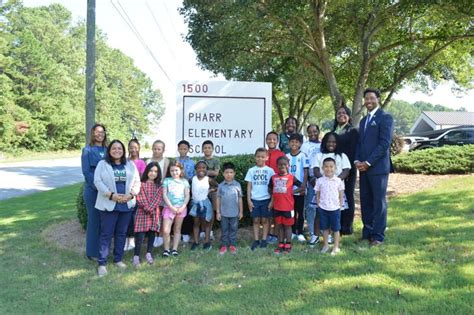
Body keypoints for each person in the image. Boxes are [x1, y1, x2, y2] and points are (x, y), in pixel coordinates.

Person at [93, 139, 141, 277]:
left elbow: (137, 181)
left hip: (126, 204)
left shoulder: (130, 164)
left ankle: (118, 259)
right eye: (114, 148)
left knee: (121, 234)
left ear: (123, 150)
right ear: (109, 150)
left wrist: (131, 195)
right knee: (106, 234)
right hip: (109, 204)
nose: (117, 151)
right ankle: (102, 263)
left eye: (120, 148)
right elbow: (97, 181)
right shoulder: (103, 164)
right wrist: (110, 195)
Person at [355, 88, 394, 246]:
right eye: (366, 99)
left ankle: (378, 236)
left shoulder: (385, 118)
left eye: (372, 98)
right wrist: (357, 160)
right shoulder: (364, 121)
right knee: (365, 201)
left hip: (378, 169)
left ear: (378, 99)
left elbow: (384, 143)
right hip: (363, 169)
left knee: (378, 202)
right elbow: (360, 143)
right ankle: (368, 232)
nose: (368, 101)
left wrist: (368, 162)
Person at [81, 123, 107, 260]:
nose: (100, 134)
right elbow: (86, 172)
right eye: (97, 132)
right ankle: (92, 252)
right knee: (94, 220)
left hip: (108, 191)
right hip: (93, 191)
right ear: (92, 133)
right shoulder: (87, 150)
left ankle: (104, 250)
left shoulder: (108, 150)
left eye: (102, 132)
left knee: (106, 222)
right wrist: (98, 186)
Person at [332, 104, 359, 235]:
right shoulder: (334, 130)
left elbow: (353, 151)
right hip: (334, 170)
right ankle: (337, 225)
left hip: (347, 169)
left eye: (344, 113)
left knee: (347, 196)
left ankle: (347, 227)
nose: (341, 115)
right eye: (339, 113)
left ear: (349, 116)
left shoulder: (352, 131)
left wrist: (348, 169)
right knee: (336, 197)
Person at [269, 156, 303, 254]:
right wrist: (274, 193)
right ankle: (280, 244)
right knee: (279, 225)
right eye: (280, 165)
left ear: (288, 165)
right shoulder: (273, 177)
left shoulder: (291, 177)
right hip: (277, 207)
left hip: (288, 207)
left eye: (284, 164)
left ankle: (288, 244)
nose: (282, 166)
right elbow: (270, 188)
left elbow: (302, 186)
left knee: (288, 226)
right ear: (277, 166)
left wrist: (292, 192)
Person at [133, 162, 163, 266]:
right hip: (142, 212)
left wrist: (150, 208)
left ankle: (149, 253)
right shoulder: (141, 184)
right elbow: (139, 197)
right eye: (151, 171)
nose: (153, 173)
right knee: (140, 235)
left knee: (152, 233)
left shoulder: (159, 186)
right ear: (147, 171)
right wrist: (147, 208)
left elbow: (158, 198)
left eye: (155, 171)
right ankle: (136, 256)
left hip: (155, 213)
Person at [245, 148, 275, 250]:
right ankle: (256, 239)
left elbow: (274, 187)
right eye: (258, 156)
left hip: (266, 199)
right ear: (255, 157)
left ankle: (264, 240)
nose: (260, 159)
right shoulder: (251, 170)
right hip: (255, 199)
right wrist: (249, 200)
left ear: (267, 157)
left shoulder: (270, 171)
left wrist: (272, 201)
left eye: (263, 157)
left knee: (265, 220)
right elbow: (249, 186)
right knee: (256, 220)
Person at [315, 157, 345, 255]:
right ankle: (326, 245)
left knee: (336, 228)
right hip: (323, 208)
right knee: (324, 228)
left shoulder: (338, 181)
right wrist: (318, 203)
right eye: (326, 167)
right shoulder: (320, 181)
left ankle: (336, 247)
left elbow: (341, 193)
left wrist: (340, 204)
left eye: (331, 167)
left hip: (335, 208)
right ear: (322, 168)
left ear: (335, 168)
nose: (329, 169)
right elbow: (318, 193)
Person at [161, 161, 190, 257]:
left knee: (177, 229)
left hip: (181, 208)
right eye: (172, 170)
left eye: (176, 170)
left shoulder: (184, 181)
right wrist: (171, 207)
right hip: (169, 208)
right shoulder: (167, 181)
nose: (174, 172)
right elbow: (164, 195)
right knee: (166, 230)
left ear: (181, 170)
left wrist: (182, 207)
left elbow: (187, 196)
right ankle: (166, 249)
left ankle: (174, 249)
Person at [189, 161, 217, 251]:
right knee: (196, 223)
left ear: (206, 170)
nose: (201, 169)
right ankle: (196, 242)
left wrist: (210, 190)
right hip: (195, 203)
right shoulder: (192, 179)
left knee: (206, 223)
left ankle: (207, 242)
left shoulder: (208, 179)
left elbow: (217, 186)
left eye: (203, 168)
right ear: (196, 169)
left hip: (205, 203)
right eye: (199, 168)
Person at [124, 138, 147, 252]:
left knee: (134, 217)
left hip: (137, 193)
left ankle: (132, 239)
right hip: (125, 193)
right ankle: (126, 239)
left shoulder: (141, 163)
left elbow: (142, 178)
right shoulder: (125, 161)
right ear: (128, 148)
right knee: (126, 217)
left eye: (135, 147)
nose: (133, 149)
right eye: (131, 147)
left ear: (138, 149)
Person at [216, 162, 243, 255]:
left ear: (234, 173)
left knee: (233, 229)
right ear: (223, 173)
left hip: (234, 213)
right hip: (223, 213)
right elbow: (218, 198)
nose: (229, 174)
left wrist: (241, 212)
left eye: (231, 172)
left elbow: (240, 199)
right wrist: (218, 212)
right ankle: (223, 245)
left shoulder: (237, 185)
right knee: (224, 229)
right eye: (227, 172)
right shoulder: (221, 185)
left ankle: (232, 245)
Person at [301, 124, 321, 246]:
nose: (313, 133)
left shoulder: (323, 145)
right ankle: (313, 232)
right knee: (310, 206)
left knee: (323, 207)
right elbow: (305, 163)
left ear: (318, 131)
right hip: (311, 180)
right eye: (310, 132)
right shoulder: (305, 146)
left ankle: (325, 232)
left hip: (324, 180)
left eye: (315, 131)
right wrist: (309, 178)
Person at [286, 133, 308, 242]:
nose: (294, 144)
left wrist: (303, 186)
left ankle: (300, 232)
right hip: (289, 191)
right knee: (292, 212)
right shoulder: (286, 156)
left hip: (300, 190)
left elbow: (305, 171)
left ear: (300, 144)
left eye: (296, 142)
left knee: (300, 212)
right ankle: (293, 231)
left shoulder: (303, 156)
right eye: (292, 142)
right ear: (289, 143)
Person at [264, 131, 285, 243]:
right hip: (264, 188)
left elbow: (285, 170)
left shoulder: (281, 154)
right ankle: (267, 234)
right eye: (269, 139)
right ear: (266, 140)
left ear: (277, 141)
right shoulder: (263, 153)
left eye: (274, 139)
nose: (271, 141)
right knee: (268, 212)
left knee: (276, 212)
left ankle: (276, 234)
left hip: (278, 187)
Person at [176, 140, 195, 244]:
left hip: (187, 189)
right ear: (178, 149)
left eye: (185, 149)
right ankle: (177, 232)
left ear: (188, 150)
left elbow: (193, 176)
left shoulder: (192, 162)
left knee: (186, 211)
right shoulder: (175, 161)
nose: (183, 150)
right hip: (176, 190)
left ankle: (186, 233)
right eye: (181, 148)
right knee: (177, 210)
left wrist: (185, 177)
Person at [202, 140, 220, 241]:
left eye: (209, 148)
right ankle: (203, 230)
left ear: (212, 149)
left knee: (212, 209)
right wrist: (208, 172)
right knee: (203, 209)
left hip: (214, 188)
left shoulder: (216, 160)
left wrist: (205, 172)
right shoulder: (201, 160)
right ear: (202, 149)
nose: (207, 150)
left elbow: (216, 173)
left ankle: (211, 230)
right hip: (202, 187)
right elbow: (199, 172)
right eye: (205, 148)